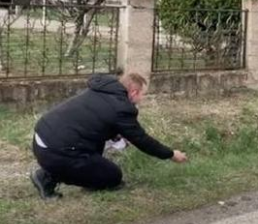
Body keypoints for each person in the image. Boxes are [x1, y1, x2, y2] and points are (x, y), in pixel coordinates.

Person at [30, 72, 187, 200]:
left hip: (42, 137)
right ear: (133, 92)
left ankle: (58, 172)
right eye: (142, 95)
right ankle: (46, 178)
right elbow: (142, 140)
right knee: (113, 177)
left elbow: (95, 123)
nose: (142, 99)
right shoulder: (122, 109)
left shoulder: (101, 89)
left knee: (96, 149)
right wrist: (171, 154)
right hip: (57, 151)